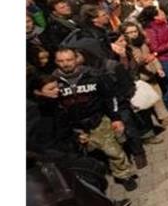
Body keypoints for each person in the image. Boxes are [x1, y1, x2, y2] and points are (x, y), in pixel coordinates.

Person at [47, 46, 139, 191]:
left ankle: (124, 176)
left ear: (76, 58)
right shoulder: (51, 83)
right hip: (73, 128)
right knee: (85, 159)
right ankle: (95, 183)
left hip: (98, 121)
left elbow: (110, 97)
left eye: (69, 60)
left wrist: (115, 118)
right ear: (56, 62)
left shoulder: (94, 75)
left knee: (114, 152)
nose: (66, 64)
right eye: (61, 61)